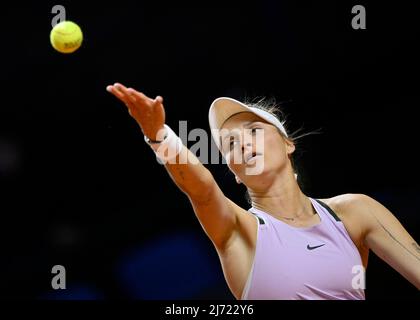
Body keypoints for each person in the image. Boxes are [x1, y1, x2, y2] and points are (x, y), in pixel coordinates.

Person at [106, 83, 420, 300]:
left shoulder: (354, 212)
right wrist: (158, 134)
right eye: (230, 143)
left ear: (287, 143)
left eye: (254, 131)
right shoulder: (238, 230)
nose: (243, 143)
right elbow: (200, 188)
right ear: (235, 174)